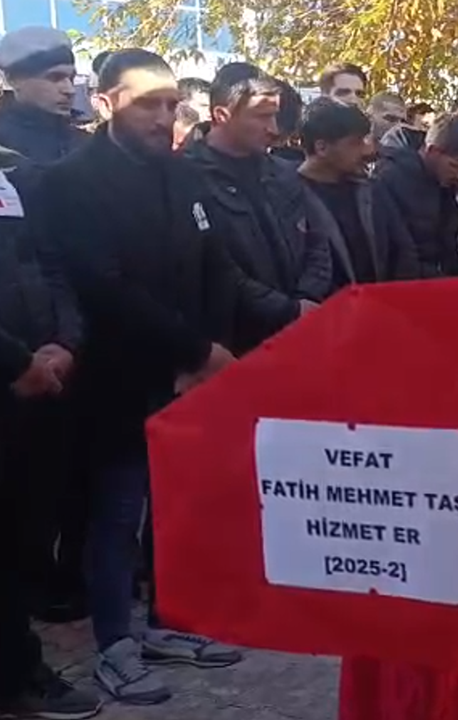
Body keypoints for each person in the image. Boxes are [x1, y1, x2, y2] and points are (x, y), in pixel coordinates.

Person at [39, 47, 248, 705]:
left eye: (171, 104)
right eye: (148, 104)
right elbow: (104, 287)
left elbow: (216, 264)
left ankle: (168, 622)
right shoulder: (70, 182)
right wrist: (193, 350)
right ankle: (114, 645)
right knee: (117, 515)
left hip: (188, 373)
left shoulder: (181, 174)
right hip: (117, 378)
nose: (164, 118)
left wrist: (208, 353)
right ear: (105, 102)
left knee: (175, 507)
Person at [0, 152, 103, 719]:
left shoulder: (16, 178)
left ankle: (17, 669)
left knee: (21, 540)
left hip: (39, 387)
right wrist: (16, 362)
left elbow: (52, 266)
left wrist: (65, 342)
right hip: (15, 376)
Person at [186, 62, 332, 352]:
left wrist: (306, 300)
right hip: (235, 344)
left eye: (275, 115)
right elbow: (214, 268)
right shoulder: (184, 177)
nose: (274, 129)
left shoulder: (285, 174)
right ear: (222, 115)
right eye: (262, 117)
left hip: (300, 335)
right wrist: (286, 311)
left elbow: (318, 242)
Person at [297, 99, 419, 286]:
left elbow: (403, 250)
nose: (365, 150)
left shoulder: (371, 189)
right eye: (354, 143)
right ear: (322, 147)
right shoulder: (288, 197)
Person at [374, 113, 458, 277]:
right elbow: (397, 253)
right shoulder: (389, 178)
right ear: (432, 151)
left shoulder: (443, 181)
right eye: (455, 166)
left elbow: (449, 246)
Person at [0, 27, 88, 163]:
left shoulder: (86, 143)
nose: (70, 90)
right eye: (54, 78)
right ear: (13, 79)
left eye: (71, 78)